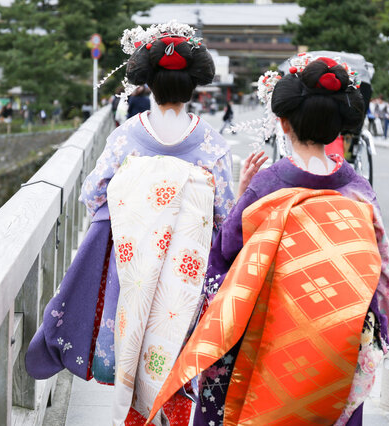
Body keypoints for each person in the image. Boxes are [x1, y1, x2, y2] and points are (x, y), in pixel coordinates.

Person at [150, 56, 389, 426]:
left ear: (282, 122)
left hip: (267, 338)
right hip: (339, 337)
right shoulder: (360, 192)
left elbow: (226, 254)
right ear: (338, 128)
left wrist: (241, 193)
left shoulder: (268, 186)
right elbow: (377, 268)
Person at [25, 22, 253, 425]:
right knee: (177, 347)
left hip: (131, 267)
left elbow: (93, 194)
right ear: (194, 86)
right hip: (188, 271)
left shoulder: (127, 136)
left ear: (147, 83)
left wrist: (139, 202)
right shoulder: (213, 144)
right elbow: (223, 214)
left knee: (134, 343)